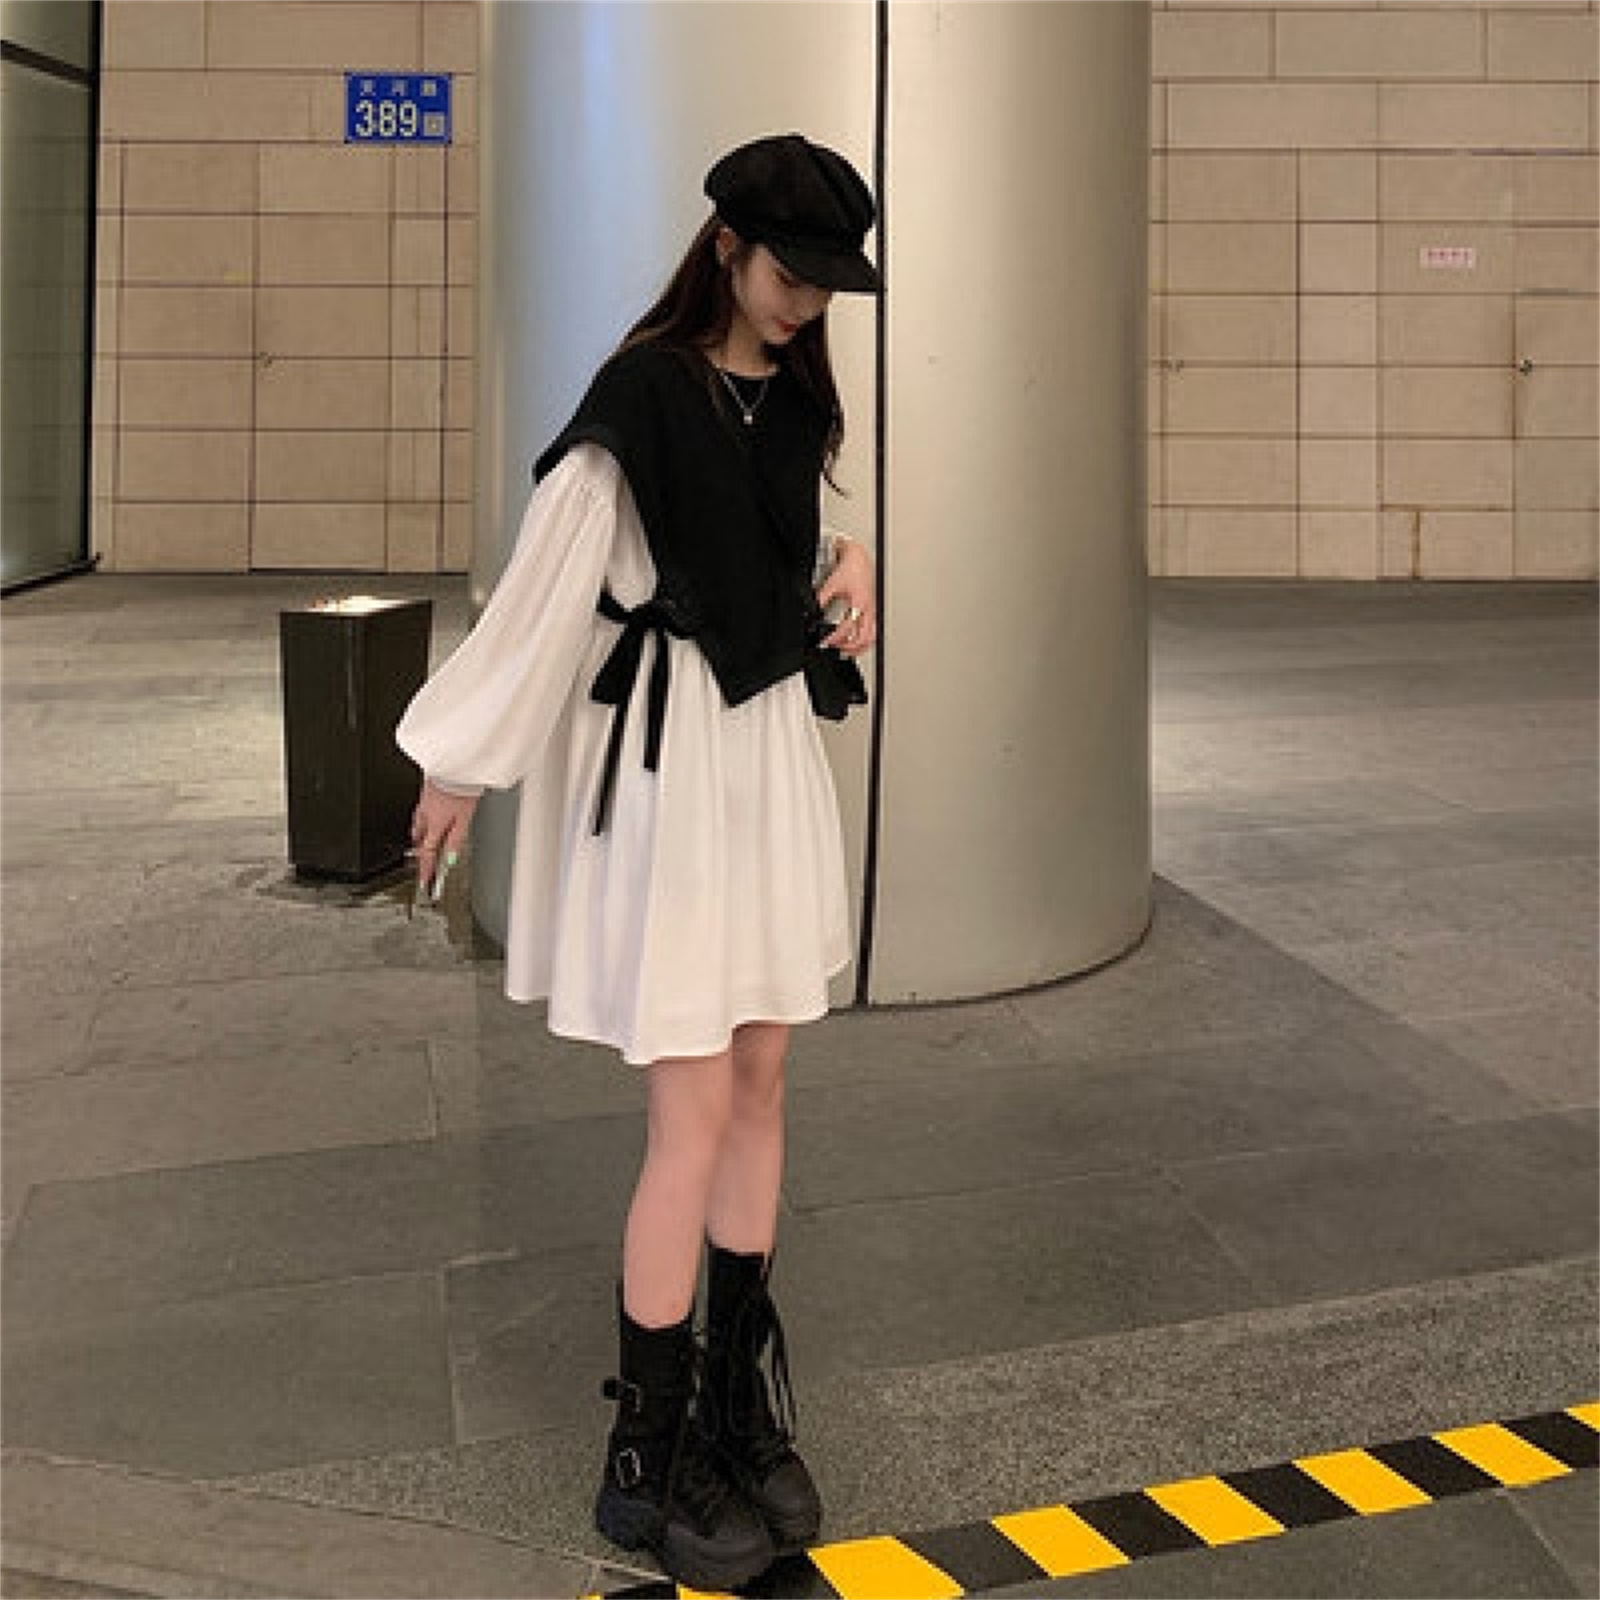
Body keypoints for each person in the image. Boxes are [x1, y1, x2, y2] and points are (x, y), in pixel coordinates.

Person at [395, 132, 880, 1591]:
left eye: (827, 283)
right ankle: (645, 1459)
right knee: (691, 1107)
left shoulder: (794, 392)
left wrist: (851, 563)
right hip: (673, 769)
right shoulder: (641, 396)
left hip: (764, 752)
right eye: (792, 274)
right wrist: (460, 761)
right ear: (726, 247)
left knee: (762, 1075)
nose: (807, 303)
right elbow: (547, 587)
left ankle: (734, 1406)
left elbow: (777, 540)